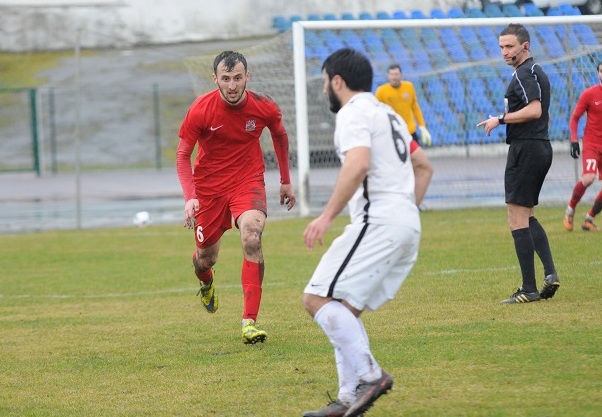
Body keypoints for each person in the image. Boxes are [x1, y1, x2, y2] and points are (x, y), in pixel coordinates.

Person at [301, 48, 433, 417]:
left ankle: (370, 376)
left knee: (314, 299)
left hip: (379, 223)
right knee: (345, 309)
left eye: (325, 82)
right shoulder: (387, 112)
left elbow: (358, 163)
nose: (323, 90)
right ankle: (347, 399)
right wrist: (406, 212)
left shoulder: (353, 112)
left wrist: (326, 216)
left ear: (337, 82)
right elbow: (424, 167)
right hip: (406, 223)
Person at [176, 51, 296, 344]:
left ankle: (250, 322)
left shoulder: (263, 106)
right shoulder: (201, 109)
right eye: (226, 79)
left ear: (247, 78)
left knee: (252, 238)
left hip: (247, 180)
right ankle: (206, 282)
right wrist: (190, 197)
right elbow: (182, 155)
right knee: (206, 257)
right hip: (209, 187)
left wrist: (285, 181)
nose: (232, 85)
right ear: (215, 79)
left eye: (238, 78)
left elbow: (279, 136)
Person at [477, 23, 560, 304]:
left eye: (509, 46)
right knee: (526, 215)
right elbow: (544, 115)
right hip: (537, 147)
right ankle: (549, 274)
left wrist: (499, 119)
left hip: (526, 150)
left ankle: (529, 289)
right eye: (501, 47)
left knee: (516, 218)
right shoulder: (534, 72)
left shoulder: (525, 72)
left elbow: (536, 110)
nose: (504, 52)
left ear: (525, 46)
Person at [563, 58, 602, 232]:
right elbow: (574, 118)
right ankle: (570, 209)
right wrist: (574, 140)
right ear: (598, 74)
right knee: (588, 178)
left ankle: (589, 219)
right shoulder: (589, 94)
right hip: (592, 144)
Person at [374, 63, 431, 146]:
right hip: (392, 132)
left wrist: (422, 126)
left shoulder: (409, 87)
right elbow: (376, 111)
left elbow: (415, 107)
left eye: (396, 74)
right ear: (388, 76)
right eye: (392, 74)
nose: (394, 77)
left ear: (401, 75)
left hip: (409, 130)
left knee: (415, 156)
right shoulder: (381, 91)